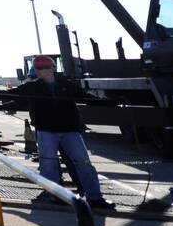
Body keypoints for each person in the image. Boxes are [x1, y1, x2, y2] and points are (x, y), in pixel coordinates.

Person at [8, 54, 112, 210]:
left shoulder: (66, 85)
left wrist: (107, 103)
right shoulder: (33, 87)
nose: (43, 71)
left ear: (52, 68)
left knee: (83, 163)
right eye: (40, 68)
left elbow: (83, 96)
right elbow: (14, 95)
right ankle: (56, 195)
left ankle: (95, 197)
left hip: (70, 130)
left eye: (46, 68)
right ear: (36, 71)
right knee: (49, 164)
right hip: (46, 131)